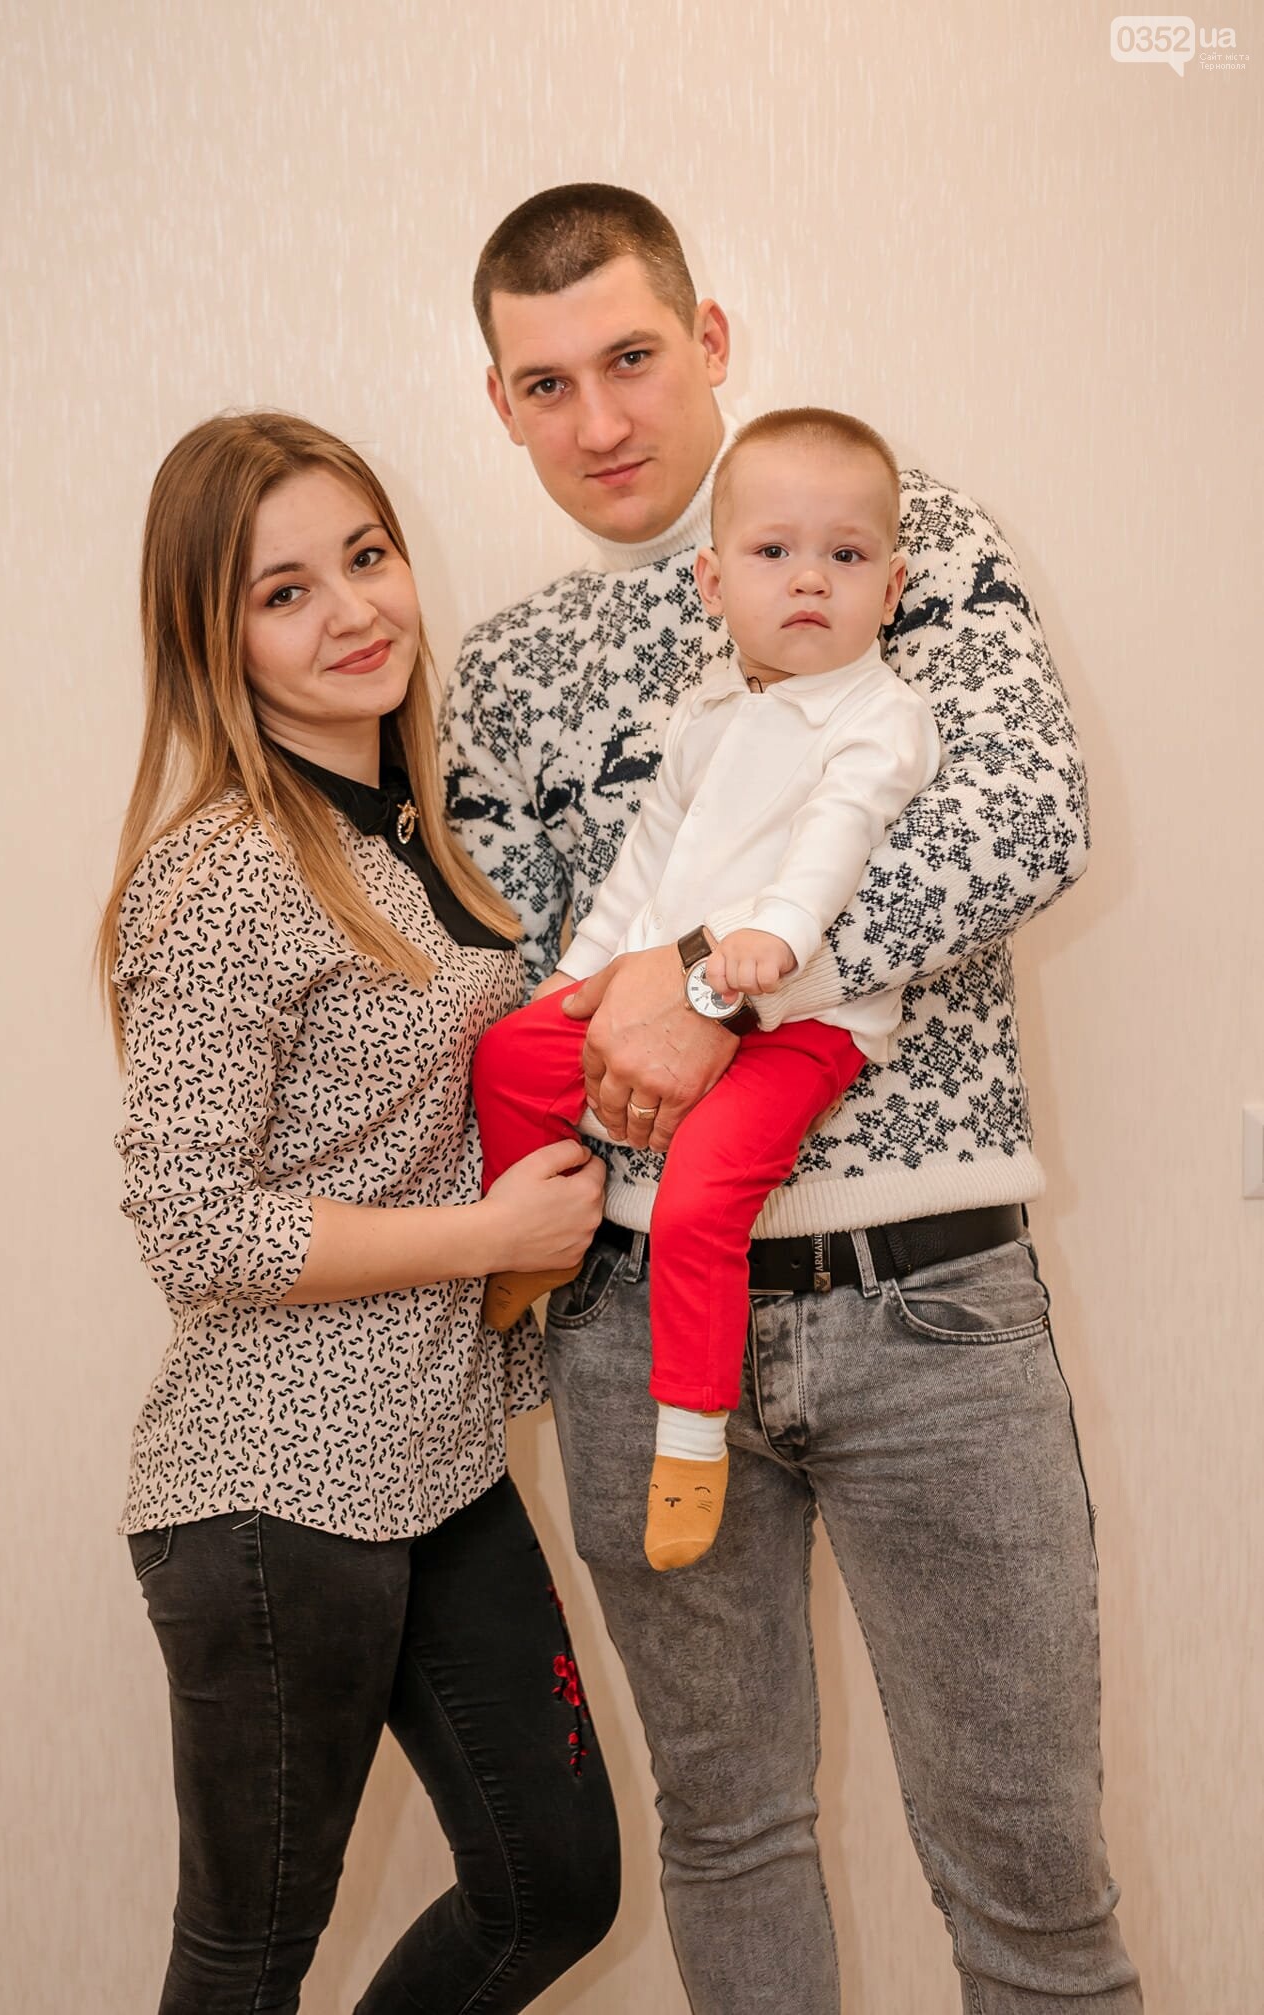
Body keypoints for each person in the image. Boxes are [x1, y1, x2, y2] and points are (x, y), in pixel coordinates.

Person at [442, 185, 1141, 2013]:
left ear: (708, 340)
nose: (600, 419)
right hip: (628, 1322)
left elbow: (1017, 826)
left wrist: (708, 992)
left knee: (1028, 1875)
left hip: (925, 1301)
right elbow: (516, 978)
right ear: (499, 403)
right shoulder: (505, 667)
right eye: (545, 384)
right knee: (728, 1832)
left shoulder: (902, 536)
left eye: (630, 357)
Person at [99, 410, 618, 2015]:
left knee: (553, 1885)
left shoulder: (409, 832)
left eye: (366, 556)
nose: (350, 611)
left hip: (437, 1457)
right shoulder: (227, 873)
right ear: (215, 640)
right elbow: (194, 1226)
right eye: (284, 592)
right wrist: (488, 1238)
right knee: (246, 1955)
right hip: (275, 1488)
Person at [471, 408, 939, 1573]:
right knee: (510, 1054)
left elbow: (837, 837)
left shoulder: (881, 714)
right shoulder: (709, 712)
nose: (811, 579)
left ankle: (688, 1443)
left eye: (847, 555)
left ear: (891, 587)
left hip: (804, 1021)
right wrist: (577, 979)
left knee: (698, 1203)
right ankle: (534, 1239)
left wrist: (768, 942)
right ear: (714, 582)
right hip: (669, 977)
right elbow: (647, 866)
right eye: (775, 552)